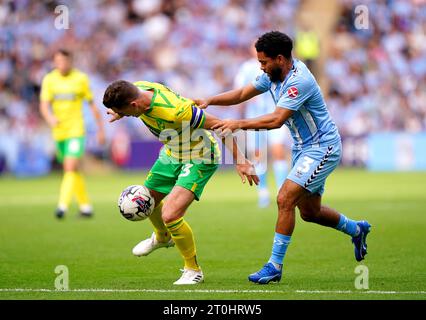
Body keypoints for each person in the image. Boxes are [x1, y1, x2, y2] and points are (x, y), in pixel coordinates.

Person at [193, 31, 371, 284]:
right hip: (302, 147)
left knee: (284, 198)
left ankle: (274, 266)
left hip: (323, 147)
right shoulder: (273, 75)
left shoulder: (299, 81)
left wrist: (238, 124)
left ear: (279, 58)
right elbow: (243, 93)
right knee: (309, 212)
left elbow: (277, 120)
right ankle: (356, 228)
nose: (261, 67)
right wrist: (210, 100)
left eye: (264, 62)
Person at [102, 80, 258, 285]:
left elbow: (220, 125)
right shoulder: (138, 89)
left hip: (200, 155)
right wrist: (120, 112)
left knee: (171, 214)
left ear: (134, 105)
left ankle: (193, 270)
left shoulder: (175, 112)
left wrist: (240, 160)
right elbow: (130, 98)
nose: (127, 116)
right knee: (147, 199)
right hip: (172, 152)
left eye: (125, 112)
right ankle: (162, 236)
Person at [40, 49, 105, 219]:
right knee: (72, 170)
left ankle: (62, 206)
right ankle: (85, 207)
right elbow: (44, 105)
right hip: (59, 132)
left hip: (76, 130)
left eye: (64, 61)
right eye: (58, 61)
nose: (61, 64)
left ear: (70, 61)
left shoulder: (80, 79)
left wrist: (100, 130)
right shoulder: (49, 79)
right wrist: (50, 118)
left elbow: (92, 105)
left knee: (69, 167)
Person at [234, 44, 291, 208]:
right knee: (259, 156)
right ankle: (263, 192)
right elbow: (239, 90)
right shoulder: (246, 68)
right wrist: (248, 99)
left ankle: (282, 190)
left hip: (275, 114)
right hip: (255, 118)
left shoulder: (275, 66)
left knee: (278, 150)